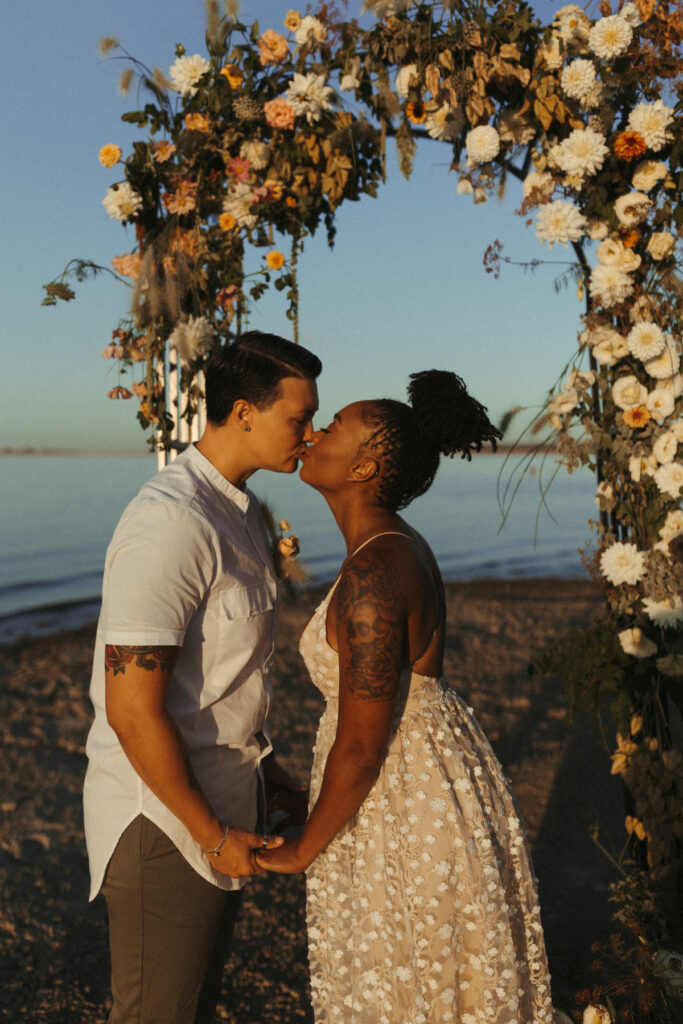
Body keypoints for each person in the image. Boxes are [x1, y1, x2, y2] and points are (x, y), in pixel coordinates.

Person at [257, 370, 554, 1024]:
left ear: (363, 465)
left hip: (402, 791)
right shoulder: (389, 547)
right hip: (424, 774)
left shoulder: (374, 571)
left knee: (405, 982)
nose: (313, 432)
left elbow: (362, 744)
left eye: (332, 427)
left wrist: (304, 846)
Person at [83, 331, 321, 1024]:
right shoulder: (171, 523)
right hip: (163, 819)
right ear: (243, 412)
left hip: (219, 798)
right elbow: (131, 711)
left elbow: (221, 678)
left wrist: (268, 774)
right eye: (297, 419)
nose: (307, 436)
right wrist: (209, 834)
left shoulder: (237, 512)